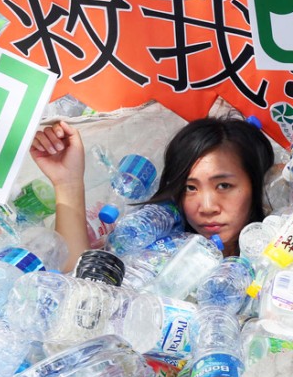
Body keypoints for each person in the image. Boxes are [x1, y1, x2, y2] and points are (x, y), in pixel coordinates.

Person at [30, 116, 274, 270]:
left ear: (255, 185)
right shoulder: (155, 251)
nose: (207, 206)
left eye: (224, 186)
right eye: (190, 188)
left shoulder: (286, 255)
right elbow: (80, 283)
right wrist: (67, 182)